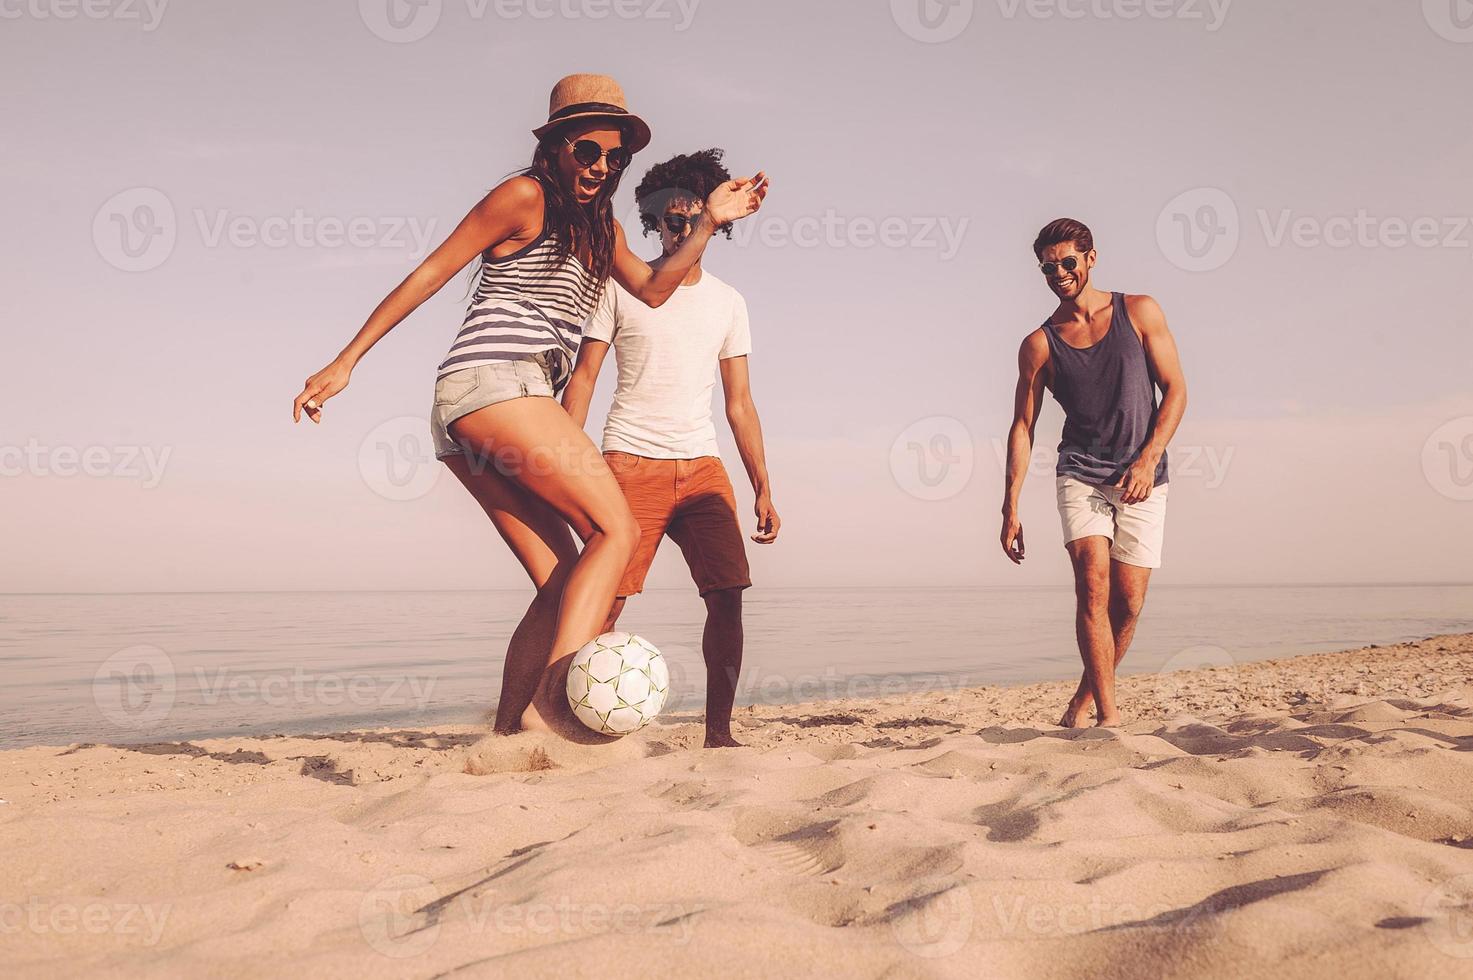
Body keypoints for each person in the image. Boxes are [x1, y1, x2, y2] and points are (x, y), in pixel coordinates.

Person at [290, 74, 768, 741]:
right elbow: (432, 271)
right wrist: (347, 360)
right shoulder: (523, 195)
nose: (602, 167)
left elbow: (655, 290)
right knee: (618, 531)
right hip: (494, 385)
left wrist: (711, 221)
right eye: (588, 151)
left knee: (563, 579)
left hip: (478, 412)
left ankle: (509, 735)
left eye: (614, 157)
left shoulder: (598, 226)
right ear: (556, 145)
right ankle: (557, 708)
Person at [561, 149, 779, 748]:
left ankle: (718, 734)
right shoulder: (621, 288)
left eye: (694, 220)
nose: (681, 231)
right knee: (607, 601)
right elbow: (583, 381)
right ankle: (569, 716)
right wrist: (566, 463)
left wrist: (762, 484)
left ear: (717, 222)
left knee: (728, 594)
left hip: (703, 467)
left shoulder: (728, 302)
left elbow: (739, 403)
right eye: (670, 222)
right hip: (630, 461)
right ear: (654, 222)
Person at [1001, 218, 1188, 728]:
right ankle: (1109, 717)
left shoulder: (1140, 311)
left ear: (1090, 258)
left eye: (1067, 262)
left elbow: (1175, 391)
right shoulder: (1040, 344)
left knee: (1127, 605)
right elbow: (1023, 425)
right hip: (1080, 471)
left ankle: (1081, 703)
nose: (1059, 273)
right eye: (1048, 266)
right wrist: (1010, 507)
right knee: (1092, 586)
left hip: (1143, 474)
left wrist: (1148, 459)